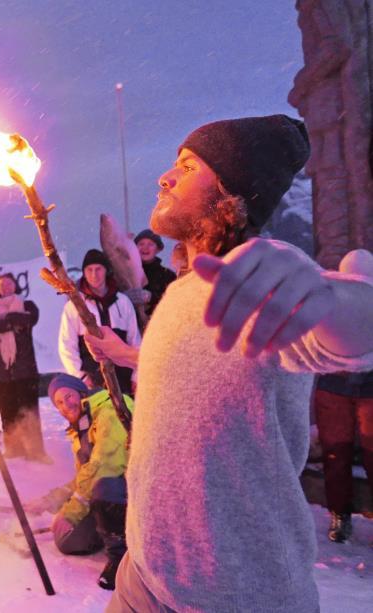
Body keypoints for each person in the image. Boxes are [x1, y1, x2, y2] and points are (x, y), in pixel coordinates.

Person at [79, 115, 373, 613]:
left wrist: (330, 298)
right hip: (146, 577)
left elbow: (345, 334)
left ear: (231, 192)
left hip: (234, 595)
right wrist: (126, 354)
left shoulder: (258, 277)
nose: (165, 177)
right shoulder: (181, 290)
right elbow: (195, 372)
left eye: (188, 166)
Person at [29, 374, 133, 591]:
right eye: (59, 402)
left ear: (81, 393)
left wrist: (72, 512)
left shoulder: (109, 411)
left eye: (69, 396)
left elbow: (105, 466)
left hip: (136, 490)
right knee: (68, 540)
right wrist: (52, 500)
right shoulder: (82, 425)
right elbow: (84, 475)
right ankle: (115, 530)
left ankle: (121, 559)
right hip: (116, 497)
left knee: (105, 484)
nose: (66, 405)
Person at [313, 248, 373, 542]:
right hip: (334, 387)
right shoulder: (328, 300)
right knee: (336, 454)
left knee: (345, 454)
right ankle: (340, 515)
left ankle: (342, 516)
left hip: (365, 388)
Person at [0, 273, 49, 461]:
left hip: (25, 370)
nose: (6, 287)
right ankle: (14, 448)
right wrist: (13, 320)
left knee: (30, 411)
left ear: (16, 285)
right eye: (2, 284)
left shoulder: (28, 306)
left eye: (9, 283)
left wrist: (8, 318)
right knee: (8, 412)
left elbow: (30, 320)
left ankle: (36, 451)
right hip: (1, 373)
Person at [58, 249, 140, 395]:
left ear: (106, 270)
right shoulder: (75, 306)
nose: (94, 274)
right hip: (92, 383)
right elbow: (66, 346)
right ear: (84, 272)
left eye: (98, 269)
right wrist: (80, 377)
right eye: (89, 270)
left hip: (124, 381)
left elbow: (134, 340)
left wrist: (136, 376)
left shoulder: (123, 302)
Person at [124, 229, 177, 319]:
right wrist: (123, 297)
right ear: (135, 247)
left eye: (150, 244)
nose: (145, 248)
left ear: (158, 249)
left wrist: (151, 297)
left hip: (157, 324)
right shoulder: (126, 271)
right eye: (141, 244)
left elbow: (174, 302)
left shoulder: (168, 275)